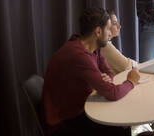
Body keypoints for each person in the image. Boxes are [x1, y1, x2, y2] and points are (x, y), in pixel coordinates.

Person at [42, 7, 140, 136]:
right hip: (63, 122)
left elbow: (108, 72)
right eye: (108, 28)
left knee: (121, 124)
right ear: (98, 32)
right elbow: (113, 93)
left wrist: (104, 79)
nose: (110, 33)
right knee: (119, 127)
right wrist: (131, 81)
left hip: (78, 109)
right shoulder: (79, 55)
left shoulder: (93, 47)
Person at [102, 10, 138, 75]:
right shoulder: (105, 45)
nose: (119, 26)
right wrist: (134, 63)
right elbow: (126, 66)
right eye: (115, 23)